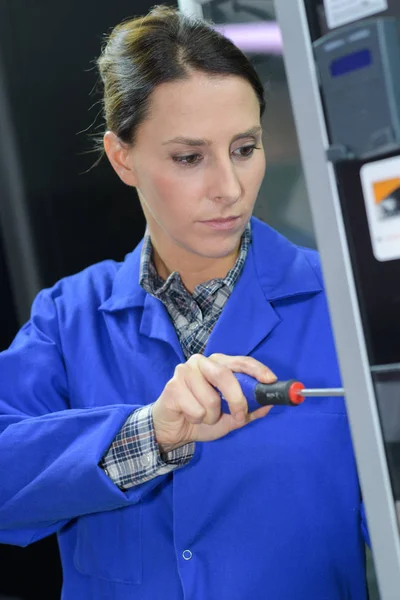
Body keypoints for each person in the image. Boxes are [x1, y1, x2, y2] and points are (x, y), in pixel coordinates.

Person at [0, 6, 369, 600]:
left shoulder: (345, 304)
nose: (228, 186)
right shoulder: (66, 320)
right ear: (123, 158)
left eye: (244, 148)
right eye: (190, 157)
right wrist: (150, 435)